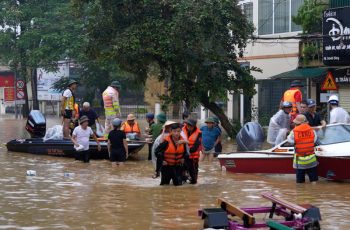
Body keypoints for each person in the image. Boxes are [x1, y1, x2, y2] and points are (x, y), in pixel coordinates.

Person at [287, 114, 318, 184]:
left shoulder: (294, 132)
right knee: (313, 181)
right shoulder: (312, 130)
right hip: (312, 160)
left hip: (300, 161)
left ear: (297, 123)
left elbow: (289, 140)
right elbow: (314, 140)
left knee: (300, 184)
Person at [182, 119, 202, 184]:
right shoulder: (182, 131)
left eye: (191, 126)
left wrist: (187, 151)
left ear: (194, 126)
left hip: (193, 158)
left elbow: (195, 147)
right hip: (183, 157)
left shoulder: (199, 133)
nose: (189, 127)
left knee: (194, 180)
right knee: (182, 176)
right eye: (188, 125)